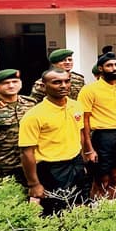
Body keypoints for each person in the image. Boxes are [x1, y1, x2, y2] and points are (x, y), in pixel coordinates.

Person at [18, 69, 89, 216]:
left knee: (80, 203)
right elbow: (27, 153)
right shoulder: (34, 115)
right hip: (52, 169)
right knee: (56, 211)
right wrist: (34, 184)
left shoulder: (76, 106)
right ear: (43, 86)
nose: (63, 85)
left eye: (67, 81)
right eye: (57, 82)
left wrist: (81, 161)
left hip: (75, 162)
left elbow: (79, 133)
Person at [77, 52, 116, 200]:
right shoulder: (89, 90)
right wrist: (88, 149)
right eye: (109, 65)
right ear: (100, 68)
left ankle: (111, 204)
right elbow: (85, 120)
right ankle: (97, 205)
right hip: (102, 136)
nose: (114, 68)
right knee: (101, 177)